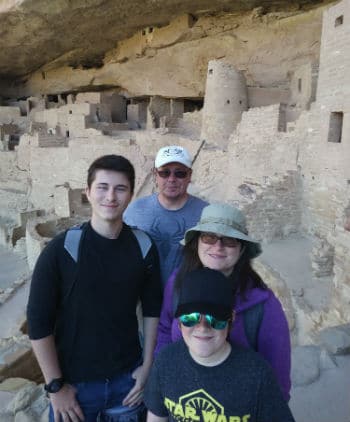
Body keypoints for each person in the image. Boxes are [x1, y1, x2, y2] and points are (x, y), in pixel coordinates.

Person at [27, 155, 162, 422]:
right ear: (88, 192)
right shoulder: (61, 250)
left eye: (120, 188)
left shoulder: (143, 246)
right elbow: (38, 321)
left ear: (131, 194)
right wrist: (55, 386)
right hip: (74, 387)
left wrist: (147, 367)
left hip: (127, 381)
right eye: (102, 187)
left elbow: (152, 309)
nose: (110, 196)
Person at [155, 203, 291, 401]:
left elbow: (277, 380)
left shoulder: (263, 306)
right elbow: (165, 330)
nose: (217, 247)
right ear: (198, 243)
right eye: (209, 237)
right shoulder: (178, 284)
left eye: (229, 241)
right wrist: (162, 379)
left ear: (242, 249)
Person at [144, 268, 295, 422]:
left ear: (231, 319)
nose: (202, 327)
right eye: (191, 317)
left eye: (214, 319)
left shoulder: (257, 375)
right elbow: (156, 415)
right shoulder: (165, 361)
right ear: (179, 321)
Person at [124, 145, 208, 286]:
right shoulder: (135, 210)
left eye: (180, 173)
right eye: (165, 173)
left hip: (187, 296)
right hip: (143, 294)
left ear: (189, 176)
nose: (172, 179)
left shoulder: (205, 213)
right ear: (155, 174)